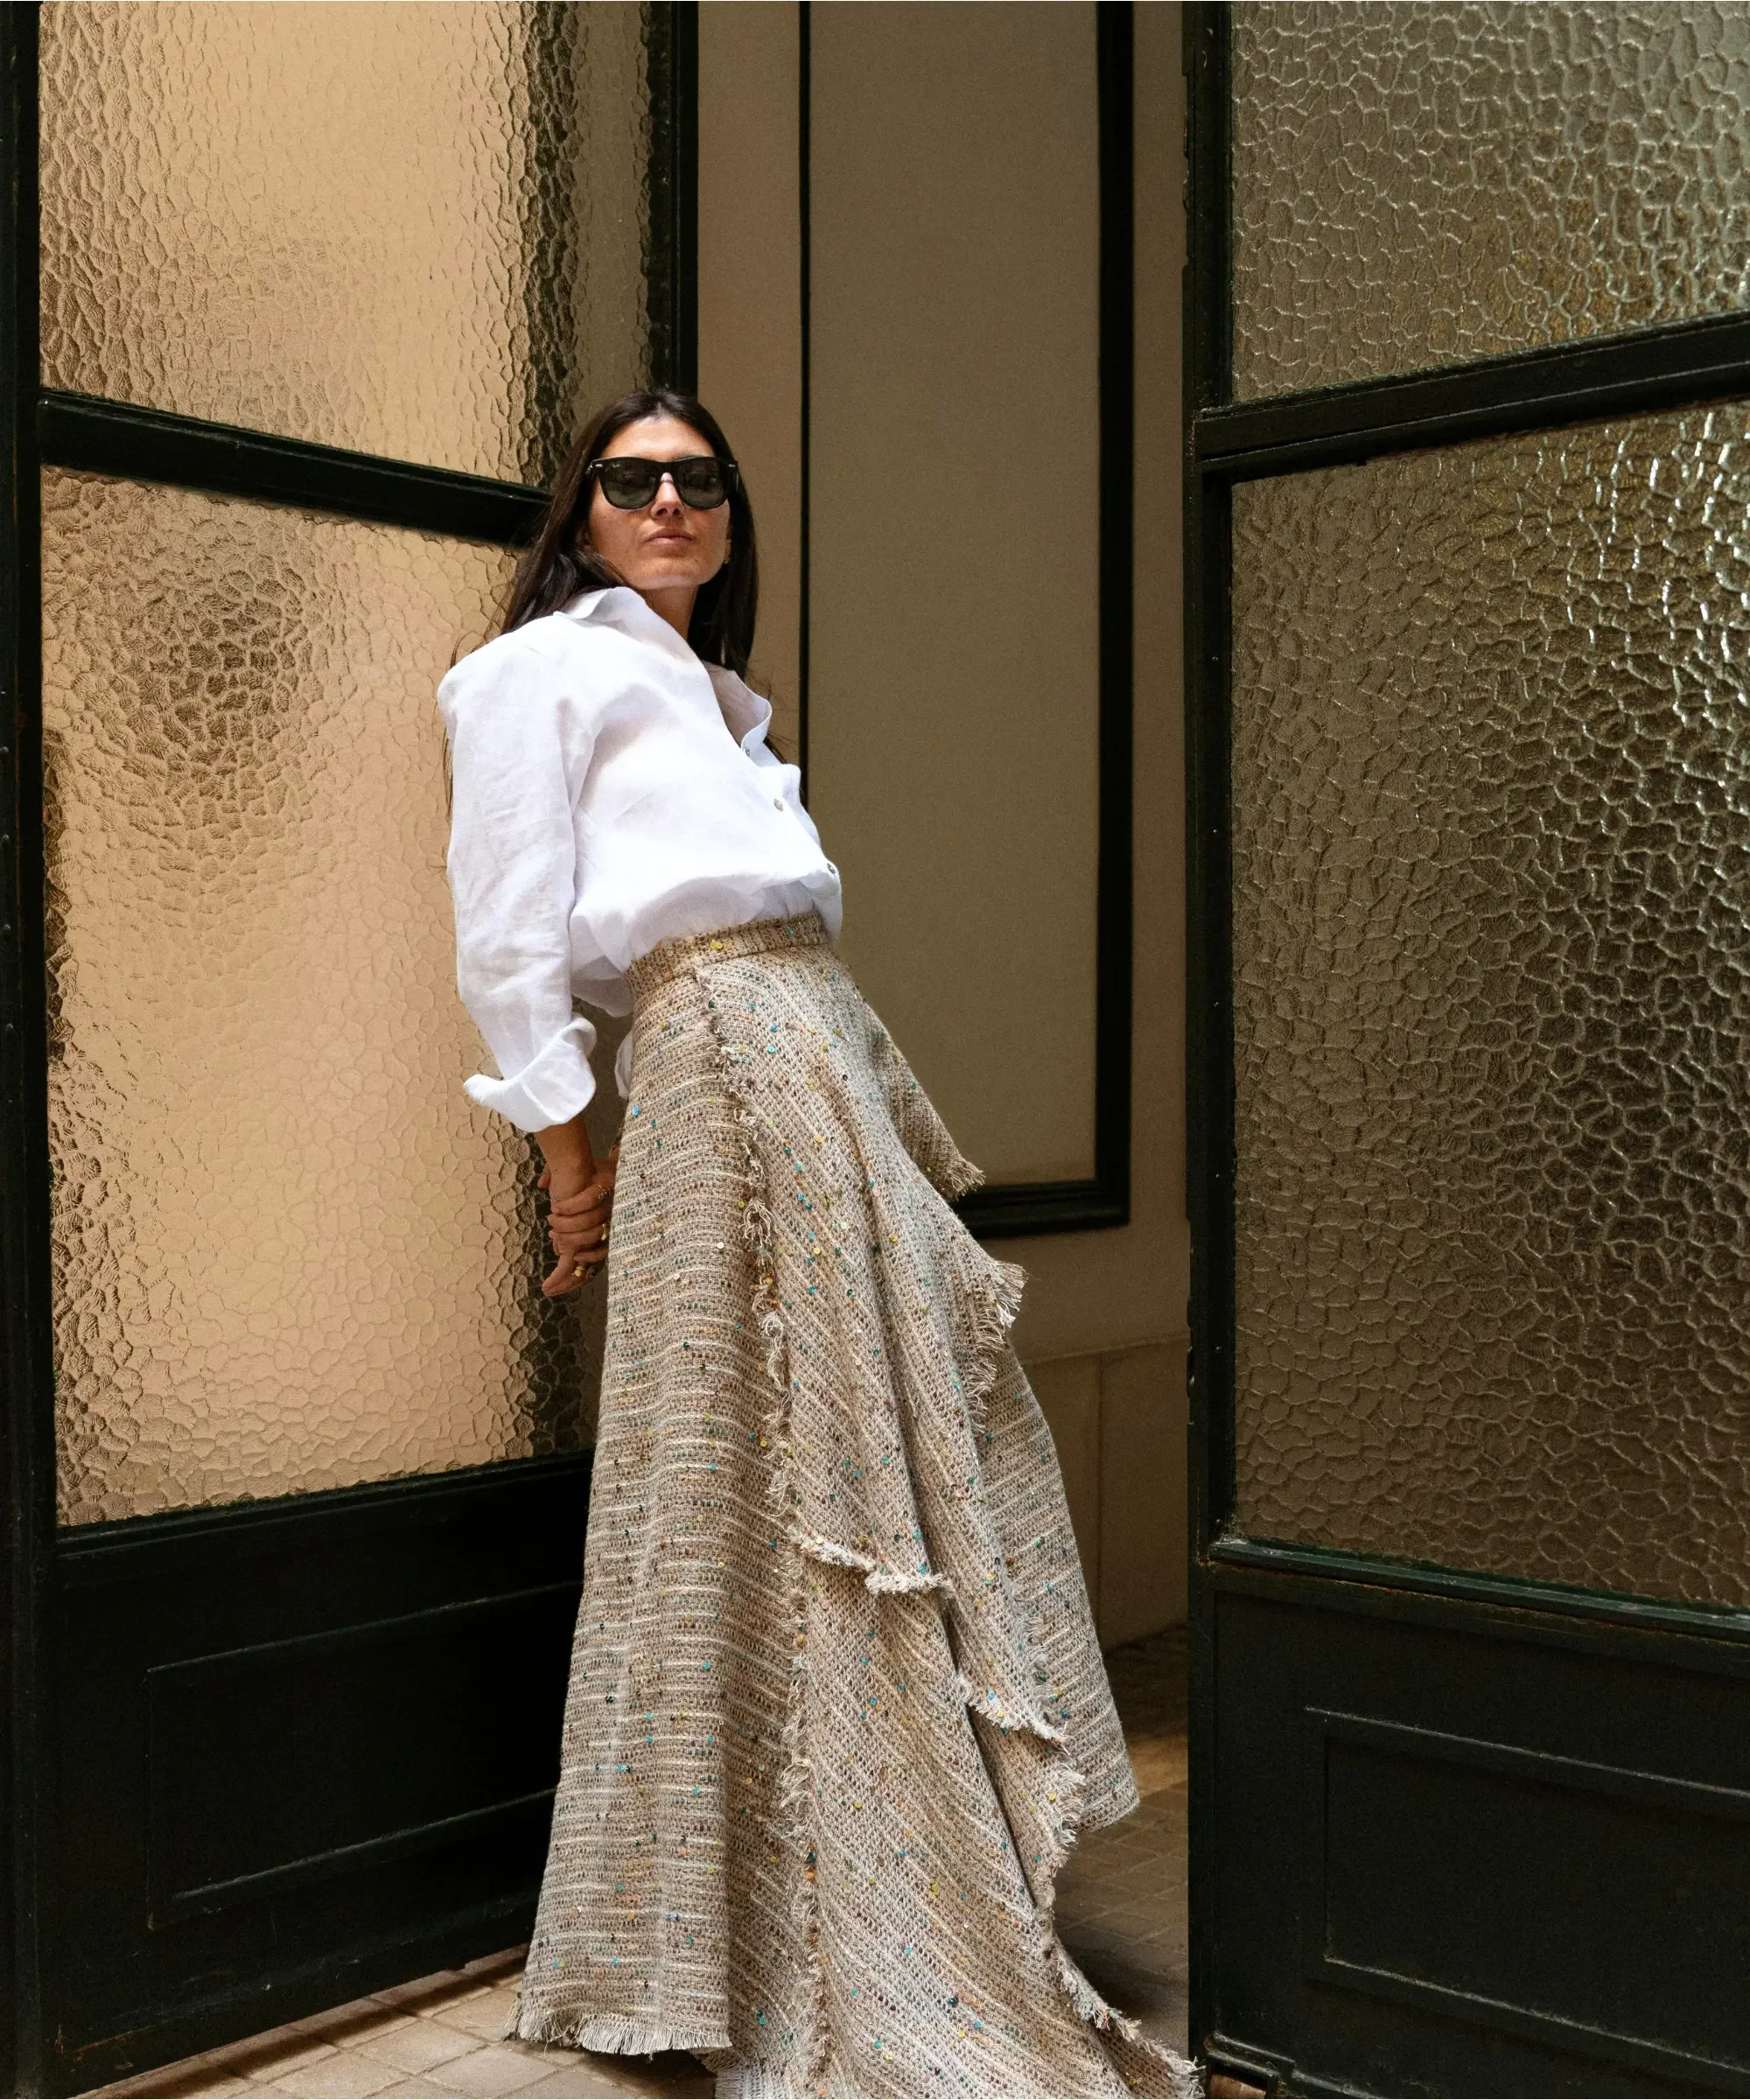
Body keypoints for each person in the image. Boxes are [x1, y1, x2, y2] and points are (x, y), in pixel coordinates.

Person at [437, 388, 1193, 2097]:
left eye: (698, 480)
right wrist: (569, 1161)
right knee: (735, 1478)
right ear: (581, 513)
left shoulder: (715, 704)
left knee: (877, 1445)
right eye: (632, 480)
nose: (669, 501)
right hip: (722, 1051)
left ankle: (850, 1874)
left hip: (818, 1047)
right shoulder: (534, 673)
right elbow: (502, 935)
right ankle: (705, 1926)